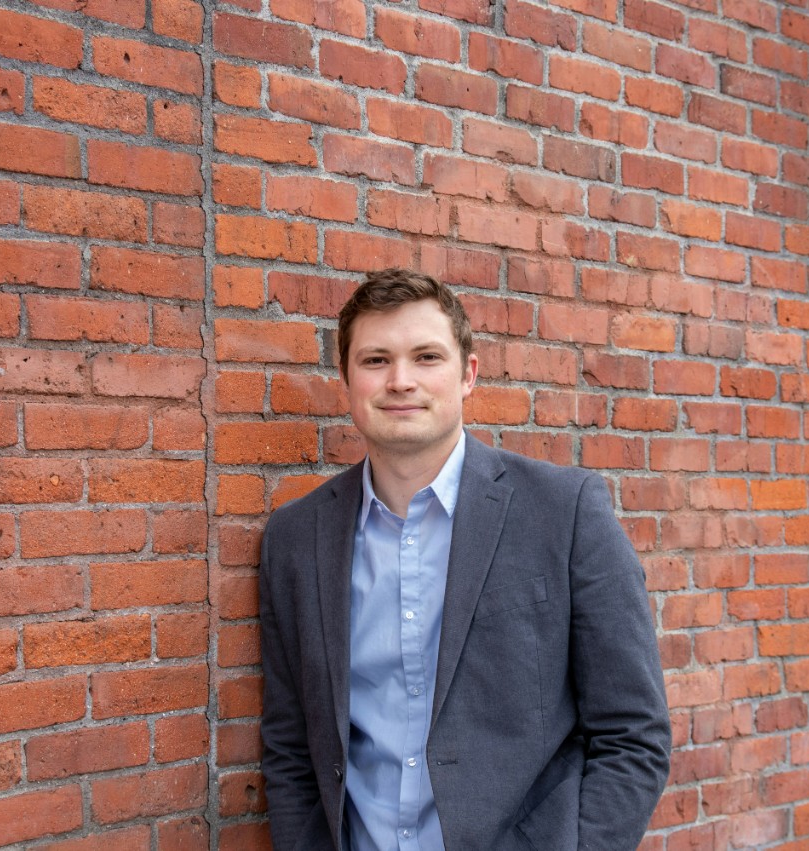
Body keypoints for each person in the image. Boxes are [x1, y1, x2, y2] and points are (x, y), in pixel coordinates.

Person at [258, 268, 671, 851]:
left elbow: (634, 735)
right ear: (345, 380)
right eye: (376, 360)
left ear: (468, 374)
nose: (401, 381)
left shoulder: (564, 511)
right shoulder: (296, 539)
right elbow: (292, 746)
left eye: (427, 357)